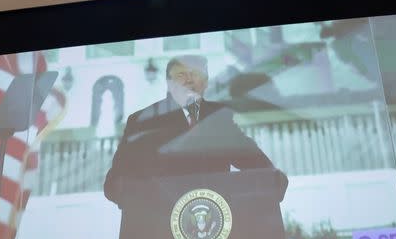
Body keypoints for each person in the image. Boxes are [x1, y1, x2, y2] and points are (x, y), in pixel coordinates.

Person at [103, 54, 273, 207]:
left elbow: (260, 166)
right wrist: (144, 202)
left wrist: (272, 181)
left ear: (205, 82)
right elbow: (115, 183)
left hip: (212, 223)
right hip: (159, 226)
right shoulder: (142, 121)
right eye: (181, 75)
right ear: (169, 84)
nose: (189, 80)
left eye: (196, 74)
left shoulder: (220, 118)